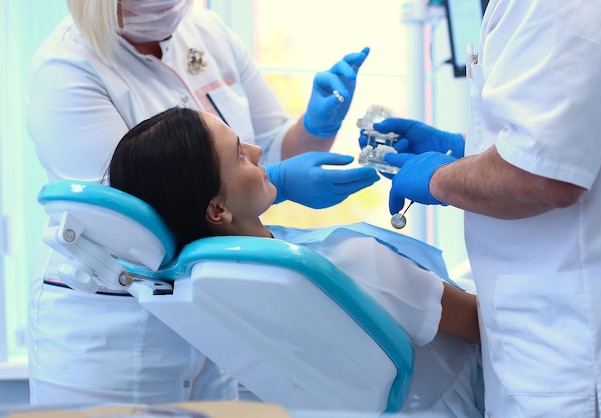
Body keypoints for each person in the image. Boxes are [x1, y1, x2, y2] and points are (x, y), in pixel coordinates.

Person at [26, 0, 378, 406]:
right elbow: (135, 226)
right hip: (110, 338)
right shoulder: (66, 69)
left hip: (212, 327)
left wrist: (316, 126)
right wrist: (279, 183)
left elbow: (265, 151)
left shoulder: (208, 32)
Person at [107, 106, 484, 417]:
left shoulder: (223, 288)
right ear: (217, 210)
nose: (257, 151)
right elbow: (483, 323)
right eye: (239, 153)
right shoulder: (349, 260)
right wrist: (467, 173)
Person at [367, 1, 601, 416]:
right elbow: (564, 128)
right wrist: (465, 151)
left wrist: (440, 177)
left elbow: (546, 175)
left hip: (574, 344)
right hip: (546, 333)